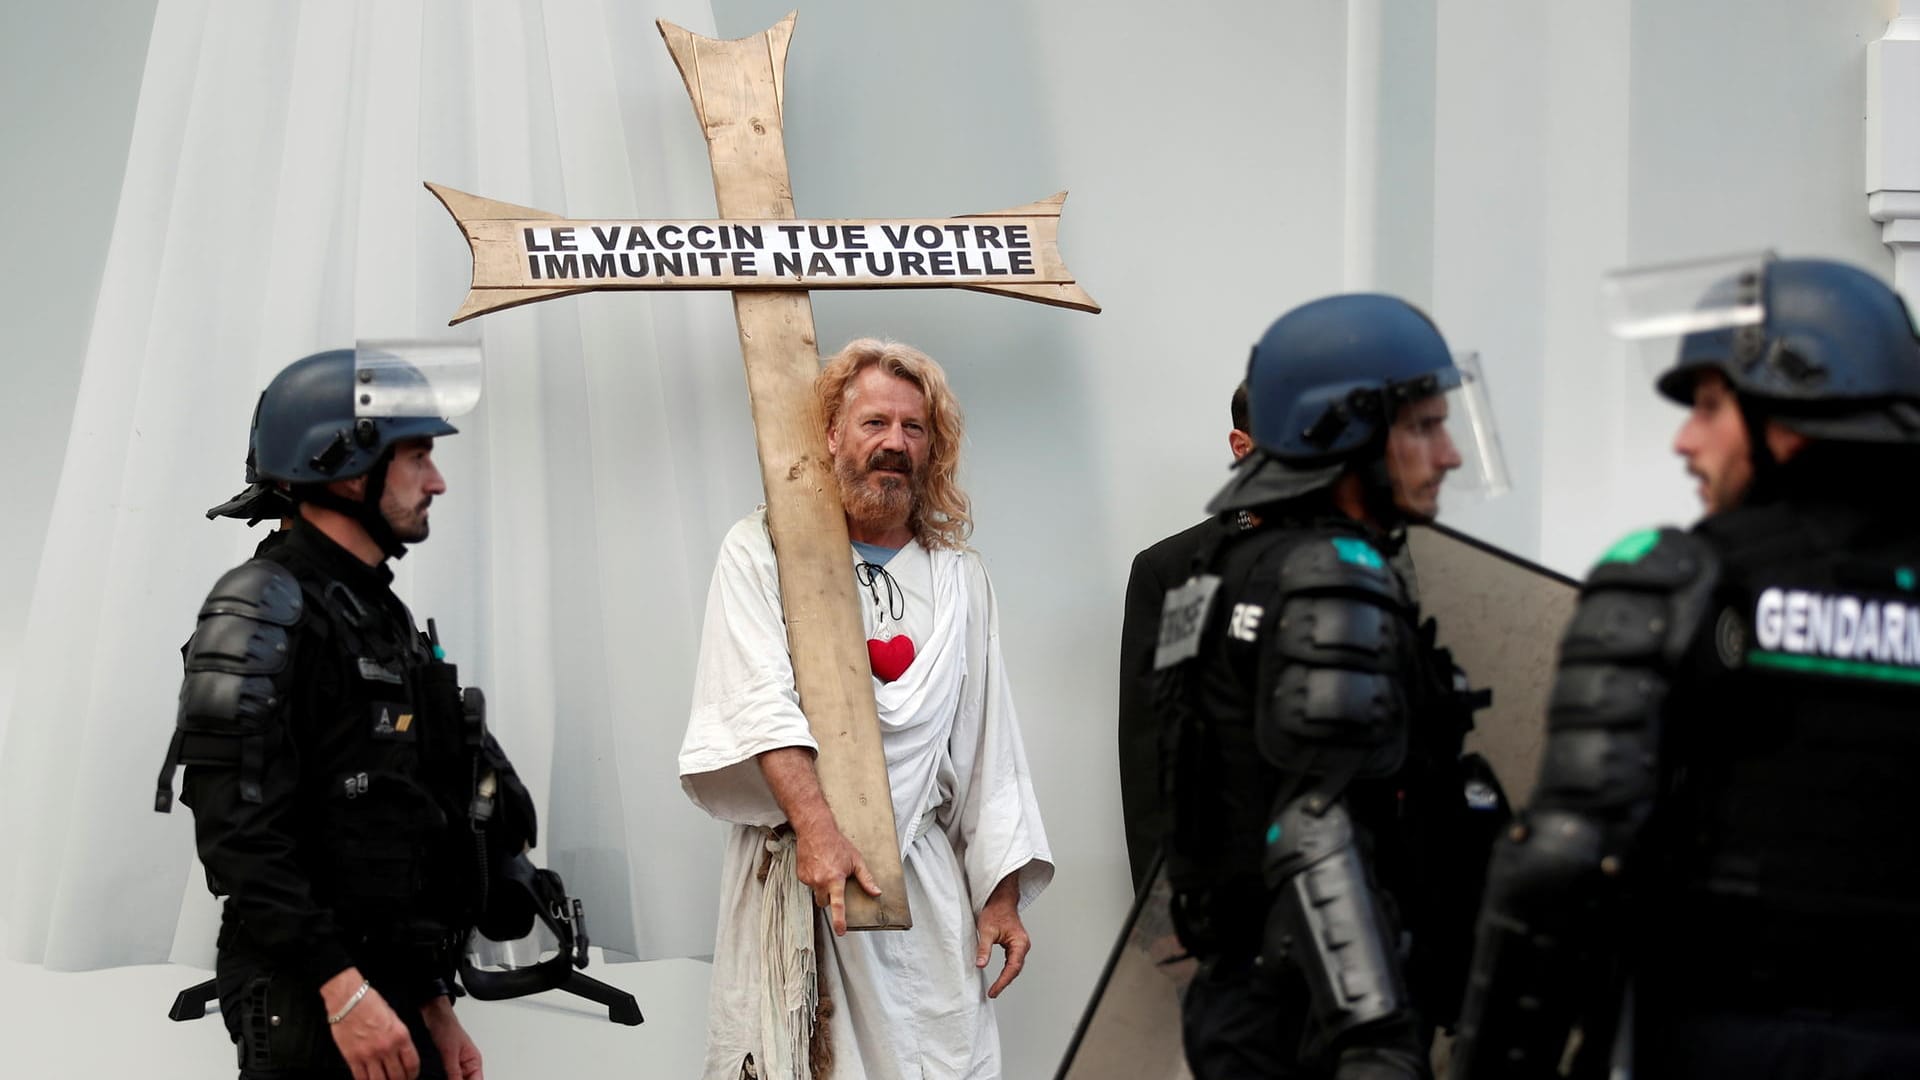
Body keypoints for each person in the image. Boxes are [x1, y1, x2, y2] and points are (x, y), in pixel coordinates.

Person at [1454, 257, 1920, 1079]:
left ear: (1791, 410)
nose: (1683, 439)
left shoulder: (1671, 581)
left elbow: (1562, 863)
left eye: (1709, 406)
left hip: (1711, 1041)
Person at [679, 338, 1054, 1080]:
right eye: (874, 423)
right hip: (799, 876)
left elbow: (989, 756)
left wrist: (1002, 896)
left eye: (914, 429)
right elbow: (757, 700)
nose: (894, 444)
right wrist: (820, 835)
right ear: (830, 435)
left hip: (921, 892)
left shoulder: (958, 581)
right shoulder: (761, 550)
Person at [155, 346, 531, 1080]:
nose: (437, 481)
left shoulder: (372, 609)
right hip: (311, 994)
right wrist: (341, 987)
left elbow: (395, 823)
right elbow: (239, 836)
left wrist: (432, 1004)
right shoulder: (263, 606)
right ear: (347, 467)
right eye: (417, 455)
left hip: (382, 984)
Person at [1157, 295, 1507, 1079]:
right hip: (1322, 1017)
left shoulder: (1234, 565)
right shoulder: (1328, 576)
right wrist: (1374, 1033)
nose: (1448, 453)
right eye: (1424, 426)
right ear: (1345, 432)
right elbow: (1315, 821)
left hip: (1264, 999)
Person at [1117, 383, 1255, 893]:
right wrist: (1162, 910)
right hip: (1226, 891)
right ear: (1243, 448)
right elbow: (1152, 751)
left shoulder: (1362, 562)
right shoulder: (1179, 576)